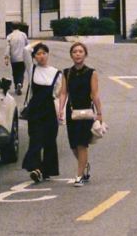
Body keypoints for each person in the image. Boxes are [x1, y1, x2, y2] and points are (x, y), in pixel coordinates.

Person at [59, 42, 102, 187]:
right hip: (72, 112)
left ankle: (79, 175)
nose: (78, 54)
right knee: (73, 145)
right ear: (71, 55)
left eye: (80, 51)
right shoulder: (66, 72)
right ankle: (84, 165)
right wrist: (60, 109)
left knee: (81, 143)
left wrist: (100, 113)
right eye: (75, 52)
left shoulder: (91, 72)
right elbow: (64, 92)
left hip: (87, 112)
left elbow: (95, 93)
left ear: (85, 54)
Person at [22, 43, 63, 183]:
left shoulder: (56, 73)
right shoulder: (32, 69)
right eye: (38, 54)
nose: (42, 56)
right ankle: (36, 168)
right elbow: (26, 50)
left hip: (50, 109)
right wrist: (38, 41)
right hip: (35, 109)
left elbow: (59, 93)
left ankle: (47, 170)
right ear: (34, 57)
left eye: (44, 53)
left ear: (48, 55)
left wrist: (61, 110)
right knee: (35, 138)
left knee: (50, 140)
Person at [5, 24, 29, 95]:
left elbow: (7, 47)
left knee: (15, 72)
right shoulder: (23, 35)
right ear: (19, 27)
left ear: (12, 28)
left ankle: (16, 86)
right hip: (23, 57)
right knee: (21, 72)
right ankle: (20, 83)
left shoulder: (10, 36)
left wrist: (6, 57)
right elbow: (27, 45)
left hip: (14, 58)